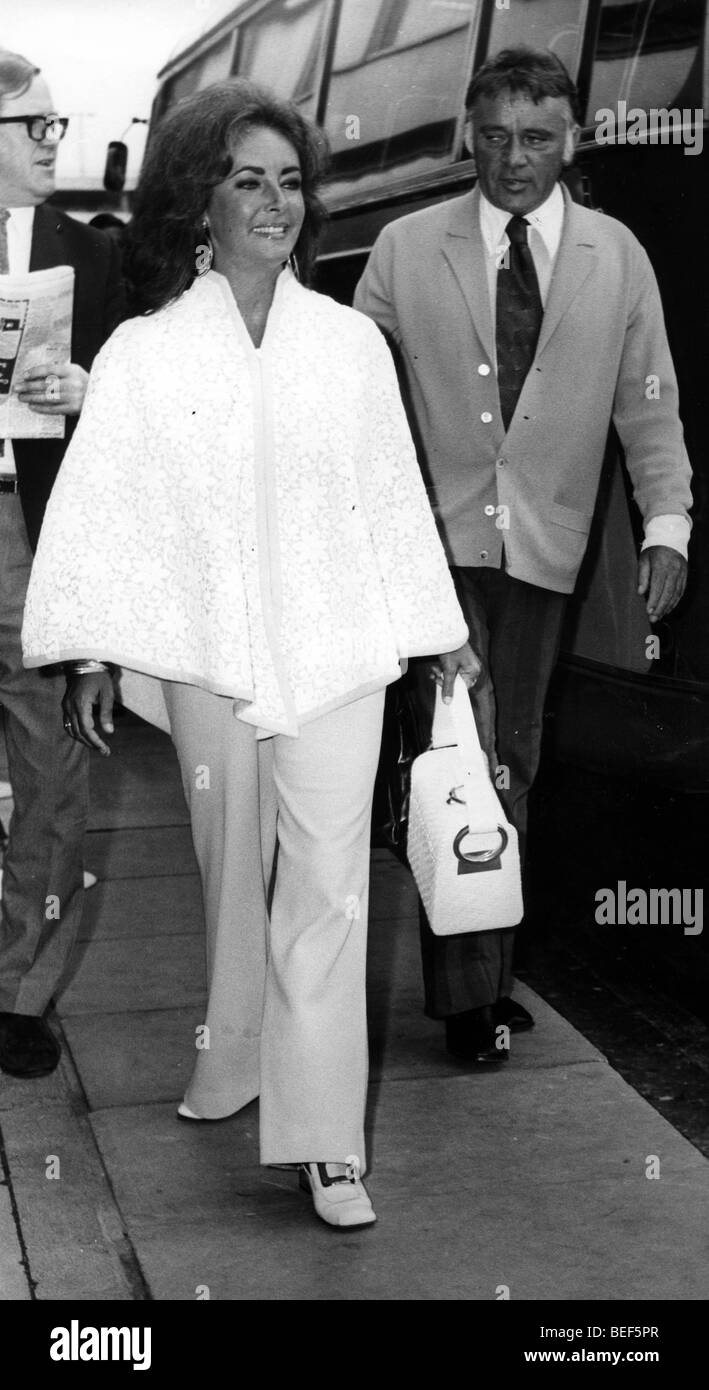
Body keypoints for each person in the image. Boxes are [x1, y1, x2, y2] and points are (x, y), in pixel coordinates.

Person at [22, 79, 478, 1228]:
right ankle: (232, 1055)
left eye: (288, 182)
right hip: (208, 656)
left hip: (338, 651)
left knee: (327, 886)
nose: (275, 203)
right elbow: (109, 508)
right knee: (236, 876)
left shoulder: (349, 347)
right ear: (200, 201)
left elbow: (391, 498)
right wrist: (87, 654)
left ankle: (325, 1146)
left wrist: (437, 640)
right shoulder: (146, 351)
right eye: (247, 181)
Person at [354, 47, 692, 1067]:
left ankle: (485, 971)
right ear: (468, 134)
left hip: (546, 546)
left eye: (537, 138)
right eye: (494, 137)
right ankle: (469, 1002)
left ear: (571, 139)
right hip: (429, 545)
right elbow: (354, 401)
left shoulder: (616, 254)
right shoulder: (404, 246)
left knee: (513, 758)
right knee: (458, 748)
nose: (513, 159)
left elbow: (650, 407)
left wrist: (668, 524)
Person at [0, 50, 122, 1079]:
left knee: (51, 774)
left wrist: (93, 396)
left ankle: (16, 994)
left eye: (54, 122)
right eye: (32, 124)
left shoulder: (92, 258)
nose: (52, 139)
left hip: (35, 537)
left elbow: (138, 427)